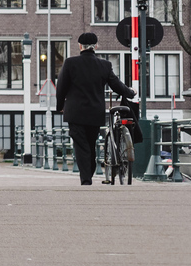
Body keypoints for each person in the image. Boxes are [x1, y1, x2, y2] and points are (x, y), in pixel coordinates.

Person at [55, 32, 135, 185]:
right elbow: (116, 85)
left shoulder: (70, 63)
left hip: (75, 112)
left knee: (81, 145)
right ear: (96, 46)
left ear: (80, 46)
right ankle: (89, 174)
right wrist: (131, 93)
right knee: (91, 144)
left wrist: (60, 107)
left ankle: (86, 178)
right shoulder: (104, 65)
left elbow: (61, 88)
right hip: (95, 112)